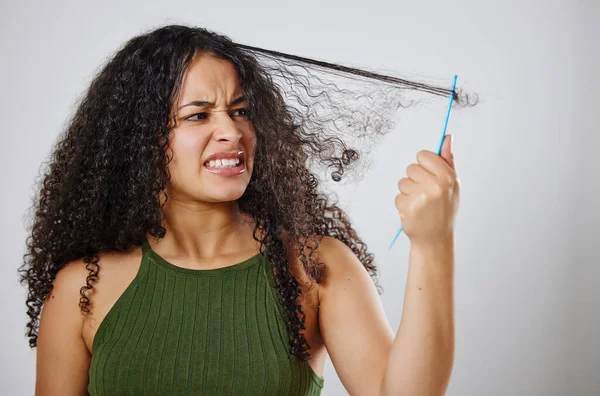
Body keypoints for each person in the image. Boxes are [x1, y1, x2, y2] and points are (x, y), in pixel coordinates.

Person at [19, 24, 463, 395]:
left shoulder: (314, 266)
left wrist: (432, 242)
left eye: (240, 110)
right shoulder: (82, 288)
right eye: (198, 115)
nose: (230, 130)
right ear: (141, 138)